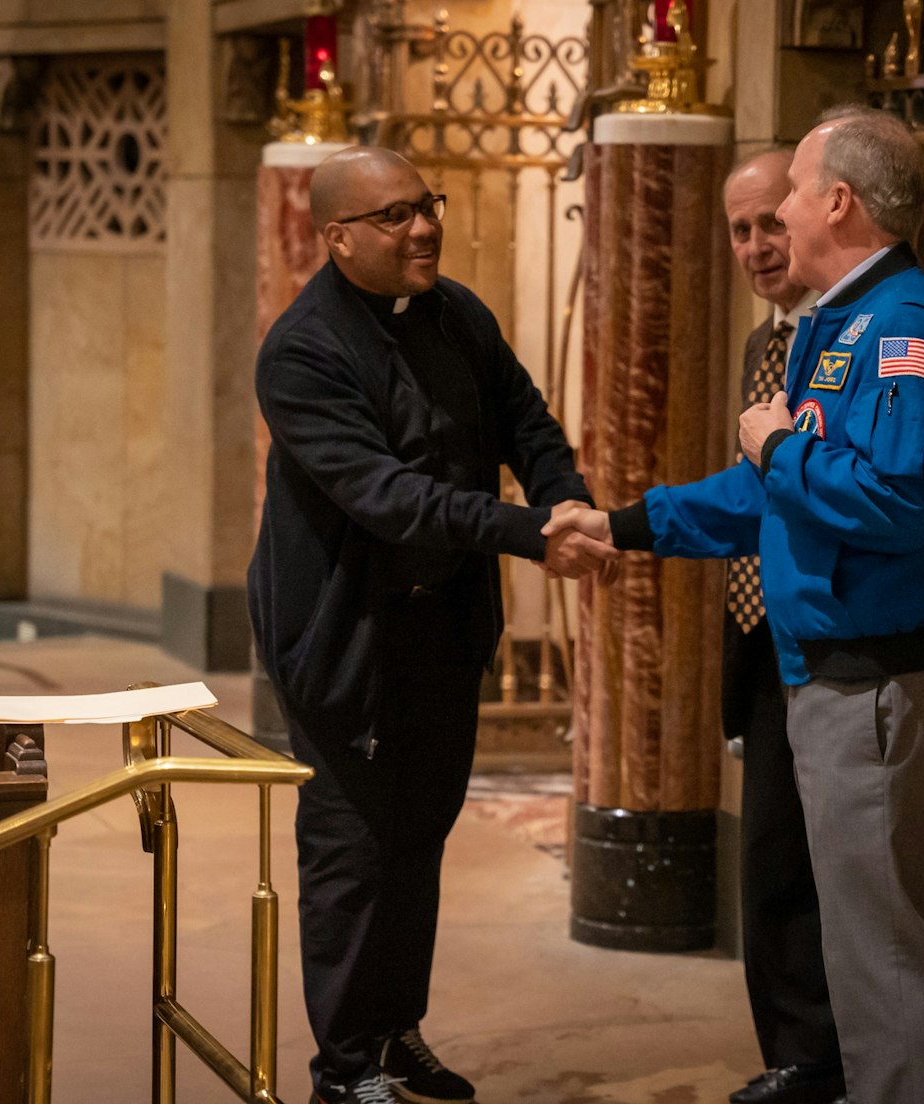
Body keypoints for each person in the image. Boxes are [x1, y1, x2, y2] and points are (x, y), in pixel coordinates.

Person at [545, 109, 924, 1104]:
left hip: (882, 673)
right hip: (834, 671)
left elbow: (896, 500)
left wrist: (776, 446)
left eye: (792, 189)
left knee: (882, 961)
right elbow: (773, 498)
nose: (778, 212)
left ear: (836, 201)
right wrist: (624, 527)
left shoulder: (904, 333)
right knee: (858, 948)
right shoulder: (839, 327)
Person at [248, 146, 616, 1104]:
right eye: (396, 216)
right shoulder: (302, 351)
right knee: (352, 850)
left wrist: (565, 501)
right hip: (347, 638)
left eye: (428, 206)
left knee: (420, 837)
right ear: (337, 238)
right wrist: (535, 534)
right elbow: (389, 498)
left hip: (443, 629)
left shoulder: (456, 312)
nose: (425, 228)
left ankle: (392, 1030)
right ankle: (340, 1072)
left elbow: (525, 422)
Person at [718, 148, 844, 1104]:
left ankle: (823, 1061)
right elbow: (748, 503)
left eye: (772, 220)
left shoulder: (855, 336)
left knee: (812, 867)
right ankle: (796, 1057)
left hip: (834, 635)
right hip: (763, 636)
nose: (759, 245)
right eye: (741, 229)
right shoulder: (768, 340)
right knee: (768, 860)